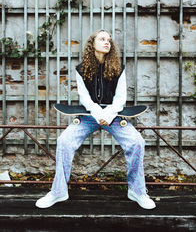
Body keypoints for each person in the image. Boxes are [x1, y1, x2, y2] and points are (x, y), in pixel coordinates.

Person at [35, 29, 156, 209]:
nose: (107, 42)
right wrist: (98, 114)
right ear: (93, 44)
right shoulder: (81, 69)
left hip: (114, 116)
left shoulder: (119, 68)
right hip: (90, 115)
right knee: (64, 141)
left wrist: (108, 114)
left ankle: (137, 191)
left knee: (137, 142)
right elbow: (84, 98)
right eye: (102, 39)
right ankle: (58, 191)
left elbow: (120, 99)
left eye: (109, 40)